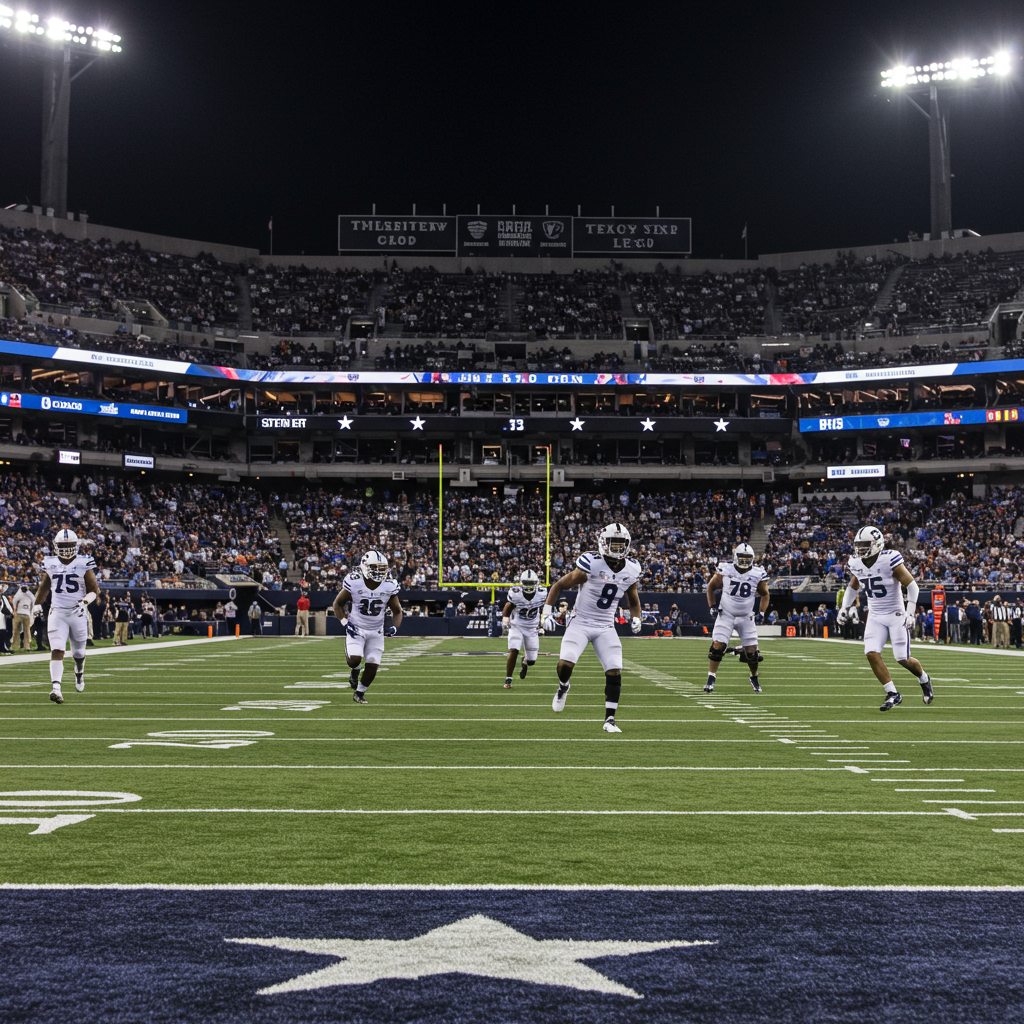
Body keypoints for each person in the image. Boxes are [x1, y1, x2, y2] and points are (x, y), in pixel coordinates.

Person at [541, 522, 642, 734]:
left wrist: (636, 618)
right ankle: (563, 686)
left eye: (620, 544)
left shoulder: (632, 569)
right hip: (581, 622)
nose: (616, 549)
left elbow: (633, 599)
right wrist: (546, 612)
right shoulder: (592, 564)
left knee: (614, 670)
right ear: (603, 543)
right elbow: (559, 585)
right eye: (612, 544)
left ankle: (610, 719)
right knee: (565, 663)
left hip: (606, 625)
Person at [836, 525, 933, 712]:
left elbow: (912, 587)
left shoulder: (889, 560)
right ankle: (892, 693)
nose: (860, 549)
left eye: (865, 545)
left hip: (896, 614)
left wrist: (910, 613)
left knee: (902, 658)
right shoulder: (856, 563)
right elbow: (852, 587)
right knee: (871, 652)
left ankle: (924, 678)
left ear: (877, 544)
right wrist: (844, 608)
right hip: (875, 615)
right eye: (859, 545)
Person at [33, 528, 100, 705]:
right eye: (63, 545)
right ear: (56, 546)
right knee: (57, 649)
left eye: (69, 545)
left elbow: (94, 590)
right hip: (57, 612)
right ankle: (56, 688)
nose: (66, 549)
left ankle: (79, 672)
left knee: (79, 653)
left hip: (77, 612)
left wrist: (85, 601)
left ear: (75, 546)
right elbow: (45, 587)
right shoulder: (50, 563)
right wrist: (38, 604)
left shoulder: (83, 562)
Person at [332, 549, 403, 705]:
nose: (380, 571)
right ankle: (355, 669)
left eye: (382, 568)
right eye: (375, 567)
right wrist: (345, 622)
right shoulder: (354, 581)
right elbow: (338, 604)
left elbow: (397, 611)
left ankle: (360, 693)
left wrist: (394, 627)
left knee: (372, 664)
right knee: (354, 660)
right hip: (356, 627)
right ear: (365, 566)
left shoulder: (389, 585)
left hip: (376, 630)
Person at [704, 542, 770, 693]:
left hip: (746, 616)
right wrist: (712, 606)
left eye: (748, 558)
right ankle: (711, 677)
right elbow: (711, 587)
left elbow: (765, 594)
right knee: (717, 646)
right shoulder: (725, 570)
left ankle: (754, 676)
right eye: (742, 557)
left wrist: (761, 612)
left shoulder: (757, 573)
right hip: (726, 614)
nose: (745, 561)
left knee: (752, 654)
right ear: (735, 557)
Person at [501, 568, 547, 689]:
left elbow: (544, 607)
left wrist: (543, 621)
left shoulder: (542, 593)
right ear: (521, 583)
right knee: (514, 649)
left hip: (532, 628)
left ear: (536, 583)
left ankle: (525, 661)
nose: (528, 586)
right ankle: (508, 679)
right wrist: (505, 619)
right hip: (517, 625)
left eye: (530, 583)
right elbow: (508, 605)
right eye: (526, 583)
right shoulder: (515, 593)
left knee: (532, 660)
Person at [11, 583, 34, 652]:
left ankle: (26, 646)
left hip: (24, 613)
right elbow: (14, 602)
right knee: (16, 631)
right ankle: (16, 646)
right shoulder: (22, 595)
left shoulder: (28, 595)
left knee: (26, 631)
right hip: (20, 613)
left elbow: (14, 602)